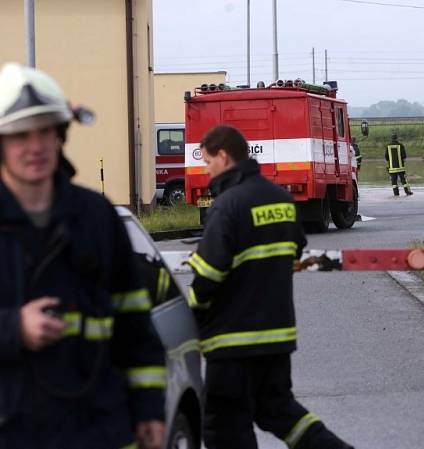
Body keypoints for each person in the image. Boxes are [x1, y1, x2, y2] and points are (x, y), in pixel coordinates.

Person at [0, 62, 166, 448]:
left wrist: (149, 409)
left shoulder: (96, 216)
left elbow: (134, 324)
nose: (36, 146)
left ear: (60, 135)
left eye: (45, 131)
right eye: (20, 135)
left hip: (96, 429)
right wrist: (13, 329)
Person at [187, 124, 354, 449]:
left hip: (232, 341)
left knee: (224, 427)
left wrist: (192, 314)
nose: (207, 172)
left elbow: (207, 274)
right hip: (277, 337)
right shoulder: (280, 199)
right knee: (279, 411)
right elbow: (294, 250)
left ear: (223, 157)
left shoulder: (227, 205)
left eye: (208, 163)